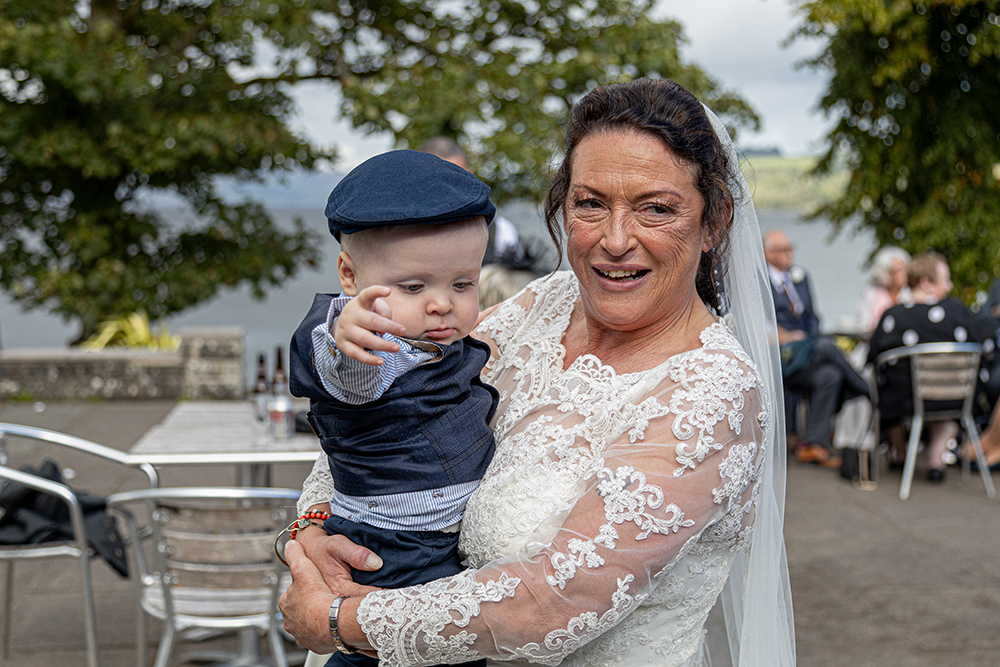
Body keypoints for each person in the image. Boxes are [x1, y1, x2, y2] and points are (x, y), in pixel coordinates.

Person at [281, 78, 795, 667]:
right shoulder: (540, 306)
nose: (615, 240)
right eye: (590, 203)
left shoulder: (711, 392)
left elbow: (551, 604)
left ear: (714, 222)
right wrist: (310, 532)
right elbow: (386, 413)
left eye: (656, 208)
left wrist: (337, 621)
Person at [288, 149, 501, 667]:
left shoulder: (434, 338)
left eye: (462, 283)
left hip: (437, 536)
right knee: (382, 648)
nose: (441, 303)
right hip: (395, 541)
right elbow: (353, 381)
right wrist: (347, 337)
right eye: (413, 286)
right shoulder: (375, 345)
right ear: (349, 275)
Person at [868, 252, 988, 482]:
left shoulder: (893, 316)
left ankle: (899, 452)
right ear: (925, 282)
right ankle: (936, 458)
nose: (950, 286)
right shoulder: (957, 312)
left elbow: (873, 356)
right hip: (954, 397)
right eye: (946, 280)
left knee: (887, 384)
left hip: (903, 400)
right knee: (953, 387)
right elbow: (985, 345)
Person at [763, 230, 870, 469]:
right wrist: (790, 337)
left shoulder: (800, 278)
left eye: (791, 247)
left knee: (830, 375)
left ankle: (813, 444)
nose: (790, 253)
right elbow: (759, 323)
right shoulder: (758, 282)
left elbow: (812, 316)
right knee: (825, 346)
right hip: (778, 355)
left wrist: (808, 338)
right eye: (783, 249)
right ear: (767, 254)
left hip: (805, 350)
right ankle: (865, 389)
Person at [417, 136, 526, 266]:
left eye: (457, 178)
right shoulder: (398, 229)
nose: (449, 188)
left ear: (471, 175)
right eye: (437, 180)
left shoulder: (501, 233)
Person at [858, 246, 911, 332]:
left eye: (904, 269)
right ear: (885, 273)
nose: (903, 274)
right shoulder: (871, 293)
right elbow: (863, 324)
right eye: (897, 270)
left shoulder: (909, 294)